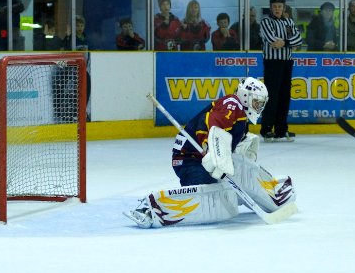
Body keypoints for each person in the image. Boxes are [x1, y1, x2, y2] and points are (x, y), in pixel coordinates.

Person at [123, 78, 296, 228]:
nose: (259, 107)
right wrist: (210, 149)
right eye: (257, 102)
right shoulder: (232, 104)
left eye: (261, 103)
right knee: (212, 197)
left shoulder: (241, 116)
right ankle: (151, 208)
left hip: (203, 158)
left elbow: (224, 140)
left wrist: (224, 157)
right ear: (246, 96)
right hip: (189, 158)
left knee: (232, 179)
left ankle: (272, 193)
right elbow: (210, 125)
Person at [259, 0, 302, 142]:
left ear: (284, 8)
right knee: (271, 96)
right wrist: (289, 42)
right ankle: (266, 129)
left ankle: (281, 129)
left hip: (287, 62)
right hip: (272, 63)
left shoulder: (289, 22)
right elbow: (272, 40)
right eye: (275, 6)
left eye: (280, 6)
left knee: (284, 96)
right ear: (271, 8)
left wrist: (284, 42)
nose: (277, 9)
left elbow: (298, 39)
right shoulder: (266, 22)